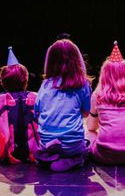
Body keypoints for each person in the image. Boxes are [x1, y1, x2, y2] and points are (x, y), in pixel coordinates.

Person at [86, 42, 125, 165]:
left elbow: (91, 127)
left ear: (104, 74)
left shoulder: (98, 95)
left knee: (88, 133)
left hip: (104, 156)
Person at [33, 38, 92, 172]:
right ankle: (74, 158)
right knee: (90, 139)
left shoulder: (45, 84)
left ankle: (50, 155)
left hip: (47, 142)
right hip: (73, 145)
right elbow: (86, 112)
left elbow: (37, 113)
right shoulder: (83, 84)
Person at [0, 56, 39, 163]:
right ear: (26, 80)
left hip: (6, 152)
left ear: (2, 82)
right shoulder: (36, 96)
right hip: (34, 150)